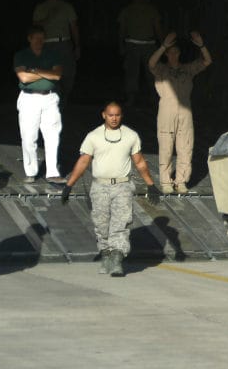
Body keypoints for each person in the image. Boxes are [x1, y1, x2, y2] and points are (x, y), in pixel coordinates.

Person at [61, 102, 162, 276]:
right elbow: (84, 161)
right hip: (100, 186)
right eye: (110, 115)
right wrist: (69, 185)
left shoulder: (131, 135)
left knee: (121, 222)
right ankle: (106, 254)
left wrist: (151, 184)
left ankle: (117, 259)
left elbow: (139, 162)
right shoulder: (94, 136)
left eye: (117, 115)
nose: (114, 118)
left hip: (122, 185)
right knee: (101, 223)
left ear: (121, 116)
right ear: (104, 115)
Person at [148, 31, 212, 193]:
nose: (173, 54)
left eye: (176, 51)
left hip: (185, 110)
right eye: (170, 52)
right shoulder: (161, 69)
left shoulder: (188, 69)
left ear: (180, 53)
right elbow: (151, 63)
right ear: (167, 54)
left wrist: (201, 45)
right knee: (166, 145)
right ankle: (166, 181)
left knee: (186, 145)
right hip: (167, 110)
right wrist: (163, 46)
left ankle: (181, 181)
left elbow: (207, 61)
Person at [13, 25, 64, 185]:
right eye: (37, 38)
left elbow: (56, 75)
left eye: (42, 38)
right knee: (29, 137)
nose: (40, 42)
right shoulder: (21, 55)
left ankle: (52, 172)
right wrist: (45, 73)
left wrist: (35, 71)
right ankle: (31, 172)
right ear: (30, 39)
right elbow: (24, 78)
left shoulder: (52, 54)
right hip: (29, 98)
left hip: (49, 97)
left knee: (53, 135)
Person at [31, 0, 80, 102]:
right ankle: (55, 98)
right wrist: (48, 18)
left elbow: (74, 27)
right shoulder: (41, 7)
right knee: (49, 72)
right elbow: (35, 26)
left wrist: (77, 45)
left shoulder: (67, 6)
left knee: (68, 72)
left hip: (64, 42)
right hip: (47, 43)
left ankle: (65, 95)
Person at [116, 0, 162, 107]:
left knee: (152, 73)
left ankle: (154, 96)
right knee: (131, 73)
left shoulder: (152, 10)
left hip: (149, 45)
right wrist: (121, 45)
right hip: (132, 45)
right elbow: (122, 29)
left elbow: (157, 28)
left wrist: (163, 45)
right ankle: (131, 98)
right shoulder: (127, 10)